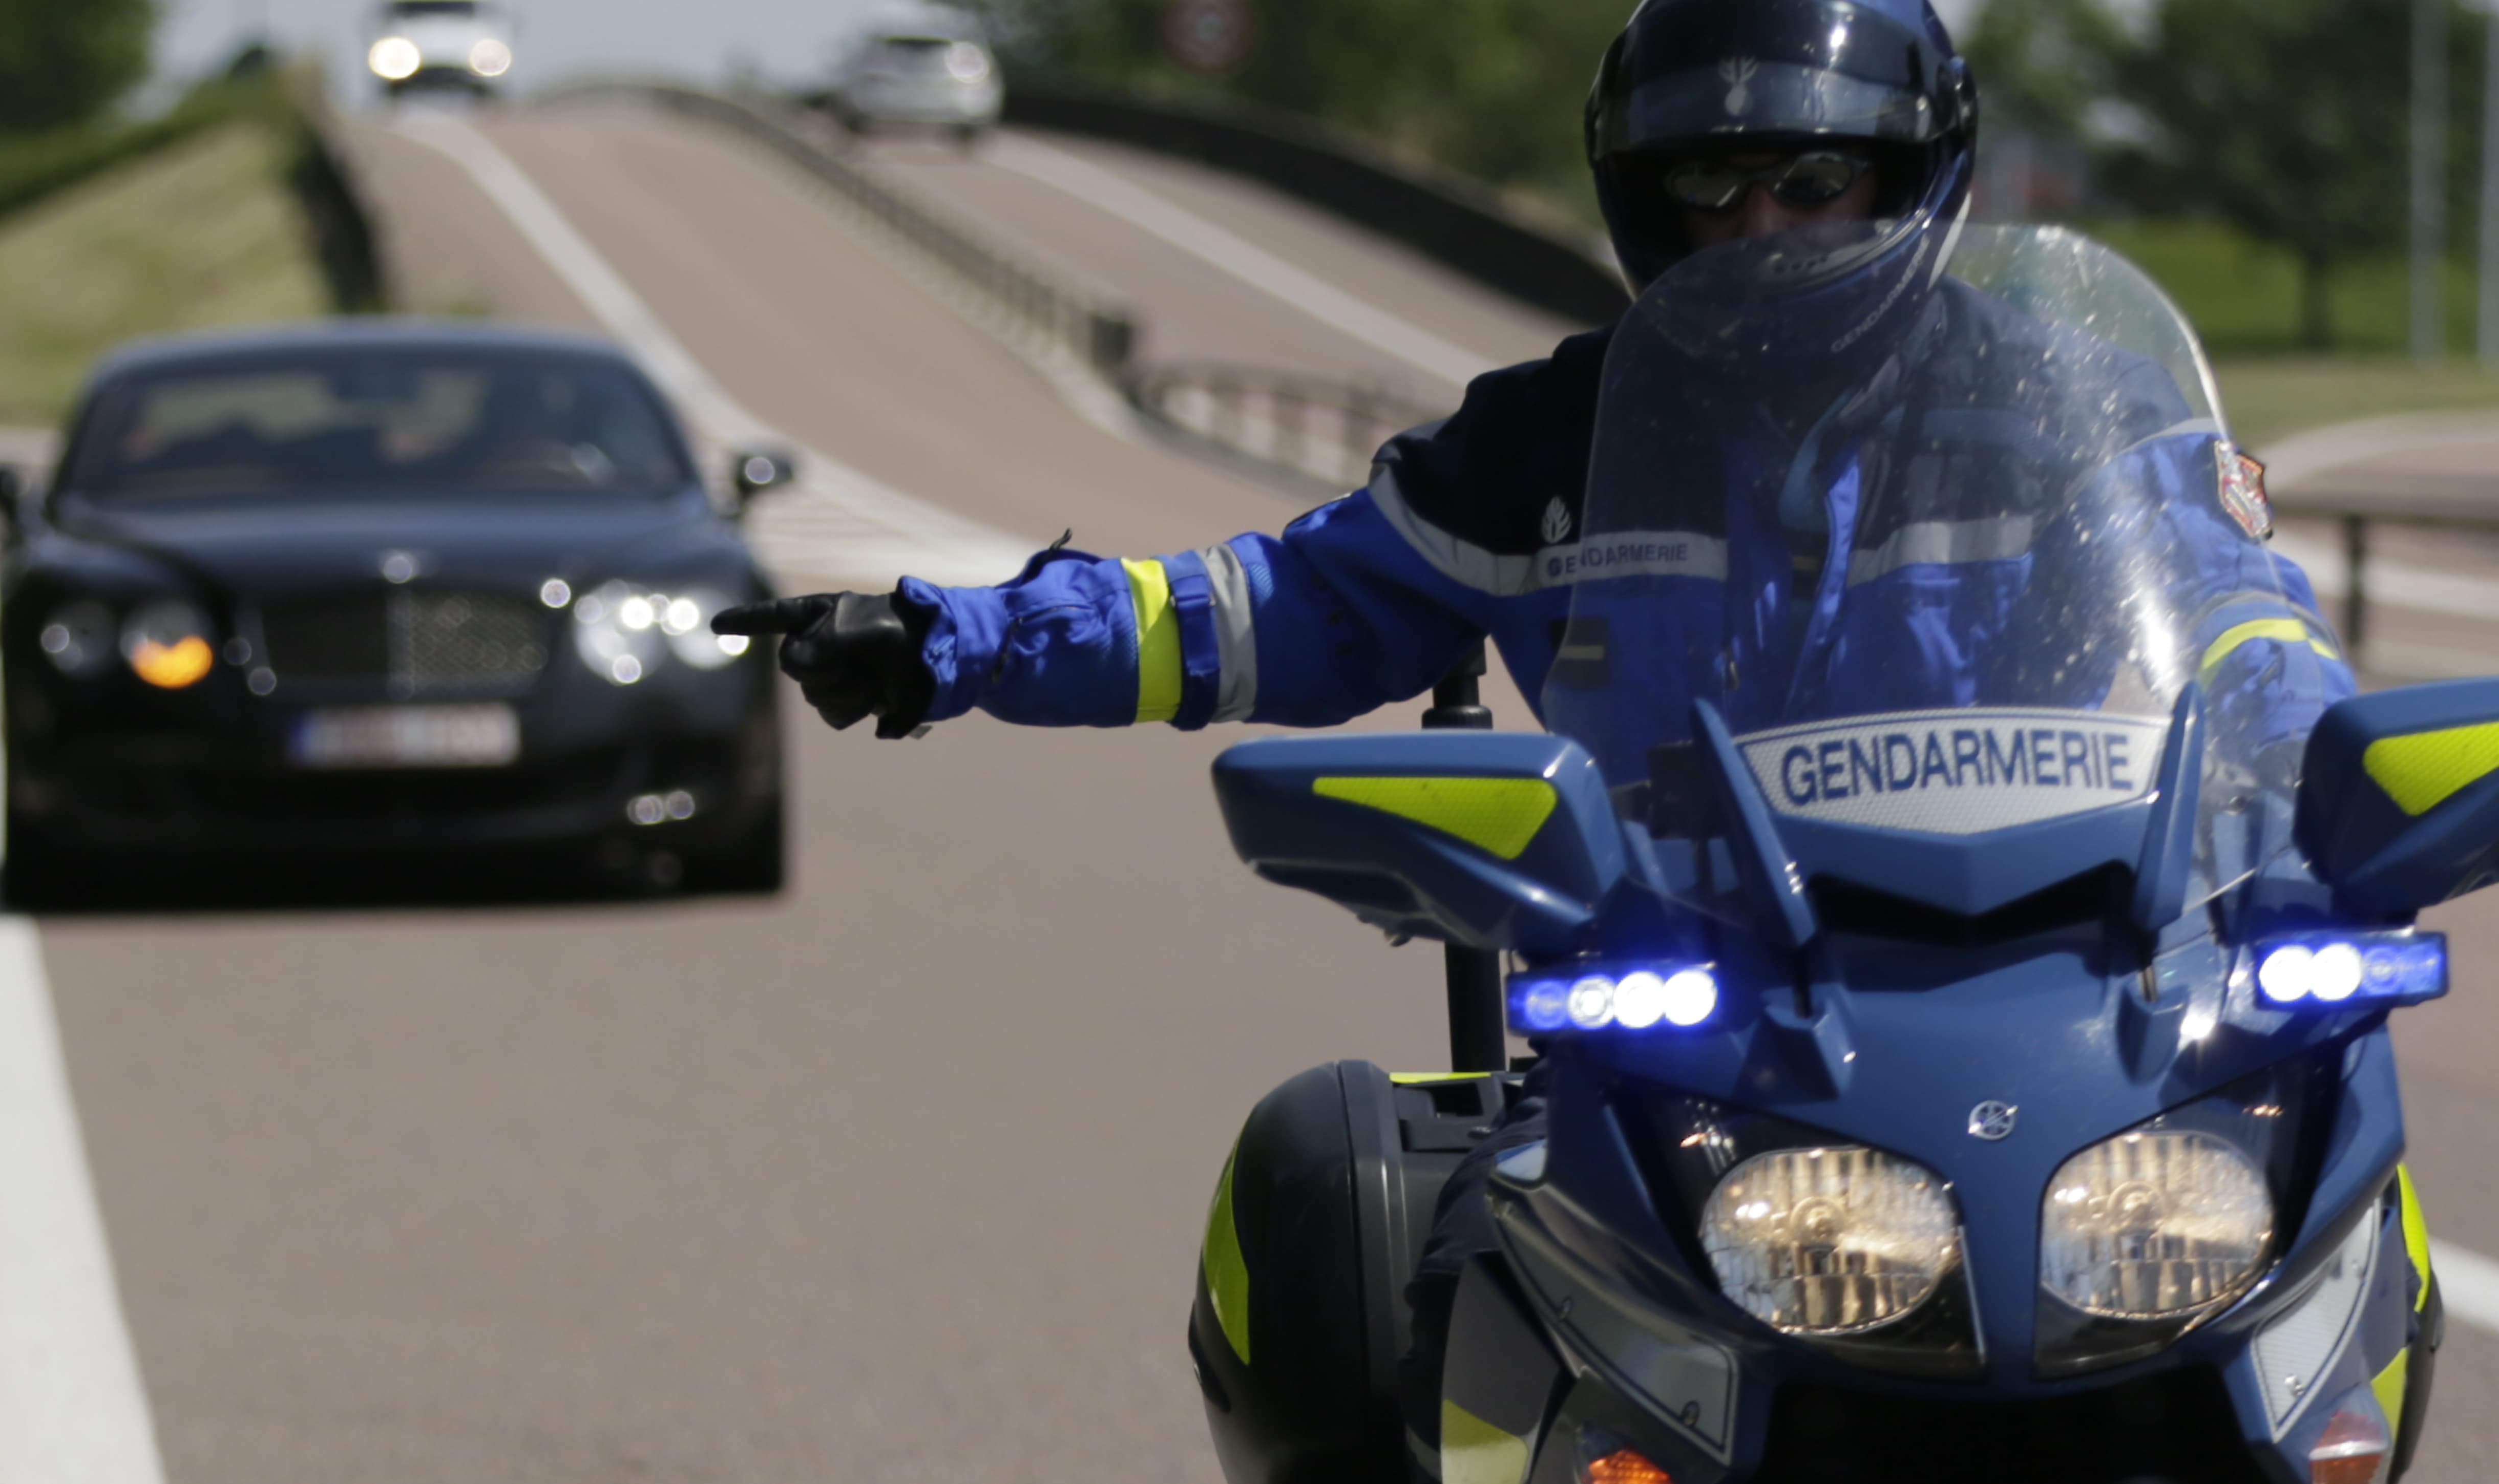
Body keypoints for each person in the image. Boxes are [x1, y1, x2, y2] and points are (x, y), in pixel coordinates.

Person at [717, 0, 2348, 1472]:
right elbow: (1268, 607)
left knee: (2312, 1199)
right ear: (1644, 199)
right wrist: (959, 639)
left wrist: (2331, 780)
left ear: (1913, 177)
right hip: (1680, 1042)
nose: (1760, 228)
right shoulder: (1542, 449)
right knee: (1418, 1339)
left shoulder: (2080, 418)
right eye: (1711, 188)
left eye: (1809, 180)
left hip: (2072, 1010)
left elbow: (2246, 622)